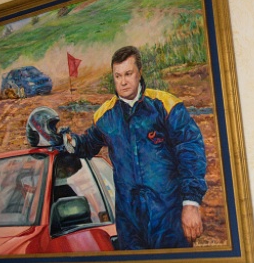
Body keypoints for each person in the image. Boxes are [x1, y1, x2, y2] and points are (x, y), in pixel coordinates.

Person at [63, 45, 207, 250]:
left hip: (169, 217)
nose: (123, 82)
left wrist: (191, 203)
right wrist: (70, 142)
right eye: (118, 76)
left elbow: (191, 151)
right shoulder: (105, 116)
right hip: (130, 224)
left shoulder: (165, 106)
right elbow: (87, 145)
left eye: (128, 74)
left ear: (139, 72)